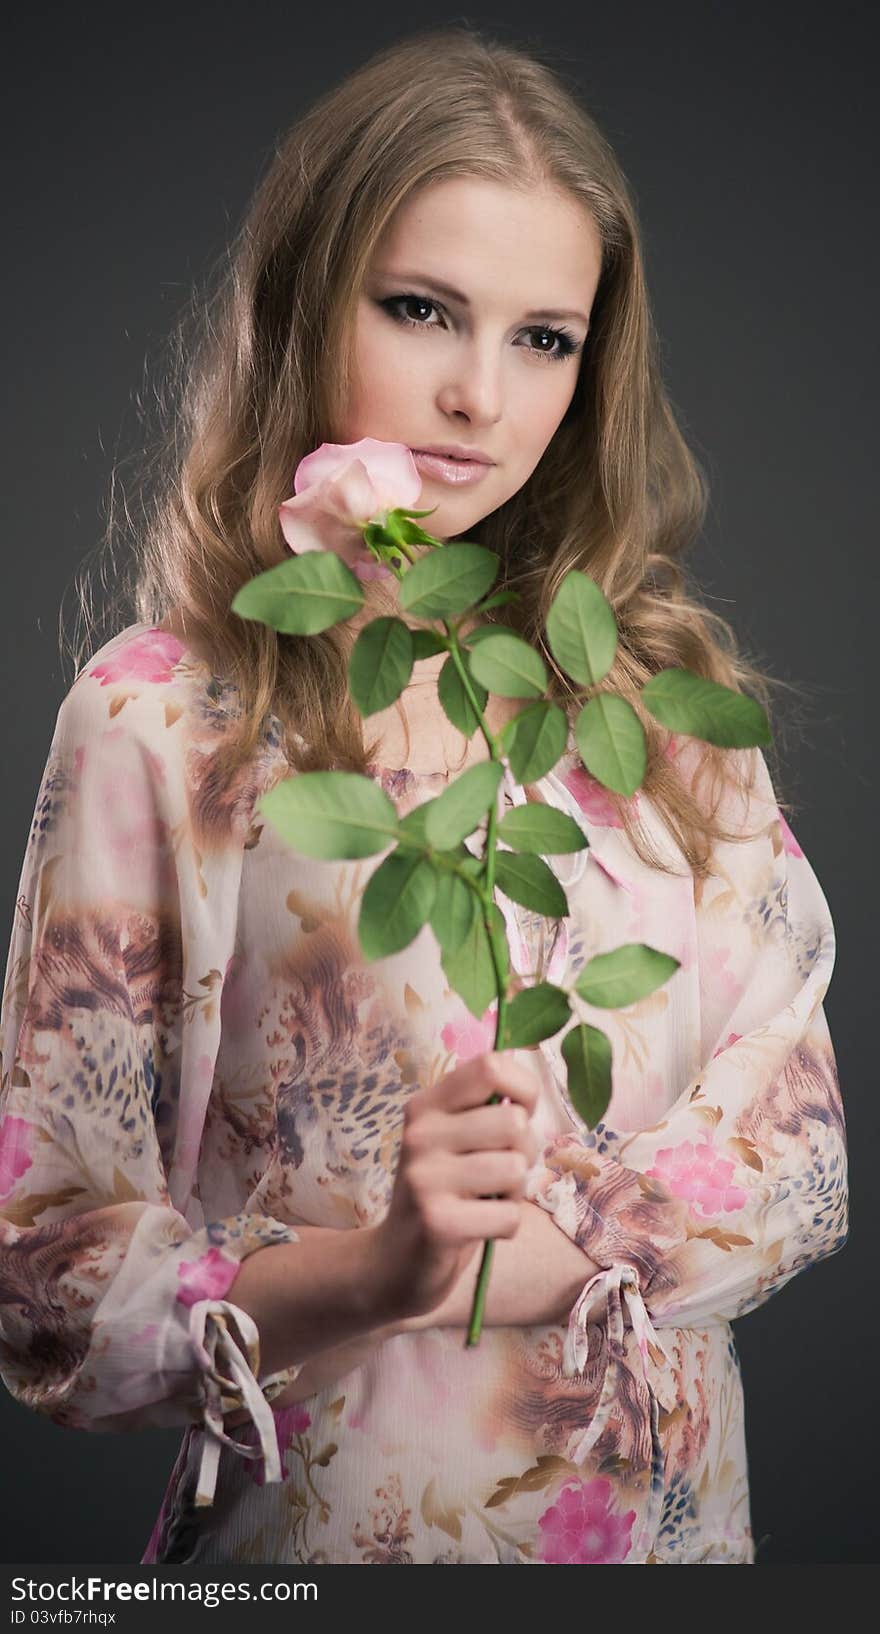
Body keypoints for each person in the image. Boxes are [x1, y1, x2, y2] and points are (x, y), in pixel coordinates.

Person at [0, 27, 848, 1567]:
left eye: (545, 338)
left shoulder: (652, 701)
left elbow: (800, 1152)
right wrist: (381, 1267)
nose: (477, 396)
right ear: (306, 301)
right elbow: (51, 1293)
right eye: (421, 310)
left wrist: (559, 1247)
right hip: (333, 1547)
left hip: (671, 1545)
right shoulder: (162, 719)